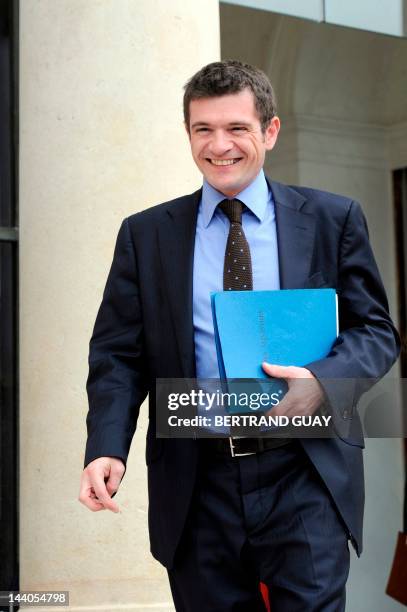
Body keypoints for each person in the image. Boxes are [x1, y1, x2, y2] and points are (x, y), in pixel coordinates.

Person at [79, 60, 400, 611]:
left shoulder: (332, 219)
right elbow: (117, 355)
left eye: (237, 129)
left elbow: (376, 331)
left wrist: (322, 382)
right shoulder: (146, 234)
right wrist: (107, 445)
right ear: (188, 134)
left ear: (269, 132)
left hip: (305, 472)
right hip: (197, 481)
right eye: (203, 129)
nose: (219, 145)